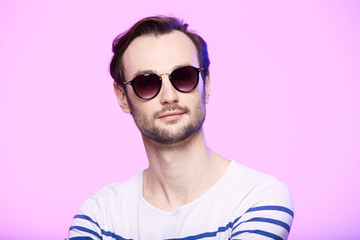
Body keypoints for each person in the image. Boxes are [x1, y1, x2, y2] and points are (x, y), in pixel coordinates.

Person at [67, 16, 294, 240]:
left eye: (183, 77)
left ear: (206, 85)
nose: (169, 96)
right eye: (146, 83)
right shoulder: (99, 216)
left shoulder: (257, 198)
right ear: (123, 97)